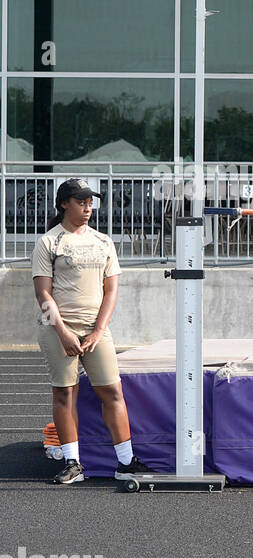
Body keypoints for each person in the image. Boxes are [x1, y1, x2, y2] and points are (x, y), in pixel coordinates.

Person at [32, 178, 155, 485]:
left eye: (90, 203)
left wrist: (99, 330)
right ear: (64, 204)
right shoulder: (49, 242)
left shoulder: (103, 241)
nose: (87, 208)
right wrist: (62, 332)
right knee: (64, 393)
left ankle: (125, 462)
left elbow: (111, 289)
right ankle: (73, 463)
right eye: (81, 202)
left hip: (95, 331)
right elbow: (43, 295)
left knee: (112, 391)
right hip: (59, 329)